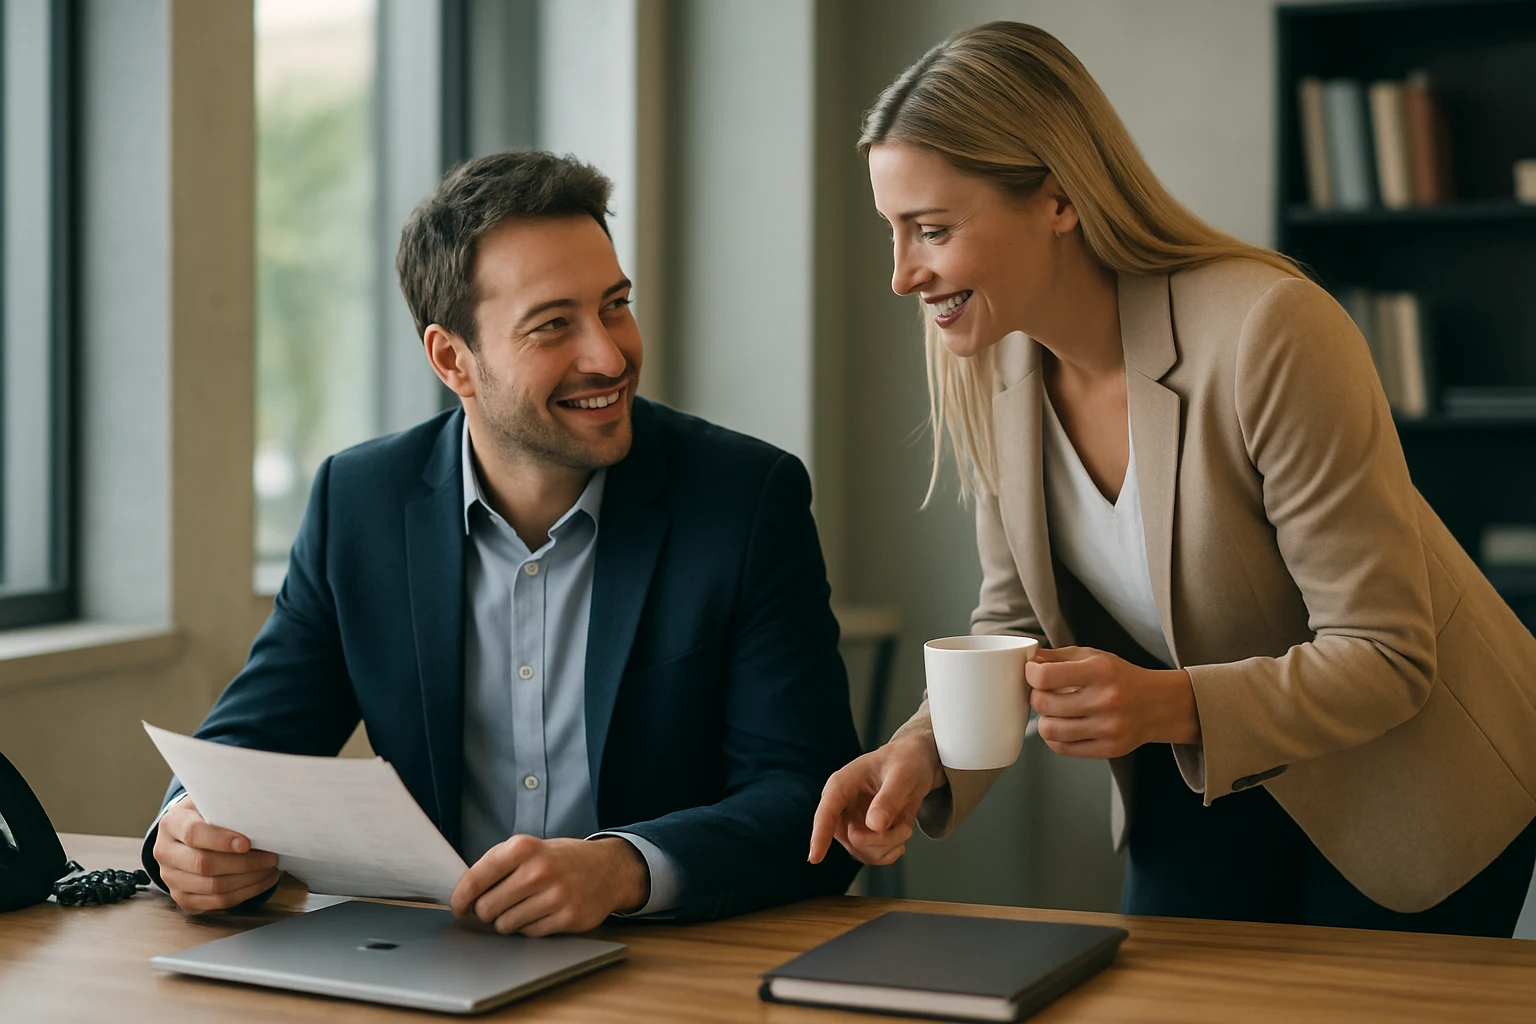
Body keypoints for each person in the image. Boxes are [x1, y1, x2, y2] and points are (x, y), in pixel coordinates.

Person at [809, 21, 1536, 937]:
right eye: (893, 231)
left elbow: (1385, 652)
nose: (901, 275)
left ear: (1059, 199)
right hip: (1200, 779)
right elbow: (1015, 620)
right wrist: (923, 751)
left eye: (932, 229)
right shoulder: (991, 364)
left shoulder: (1270, 331)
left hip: (1410, 782)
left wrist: (1166, 701)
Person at [143, 149, 861, 932]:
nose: (609, 355)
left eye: (615, 305)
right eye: (554, 325)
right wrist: (185, 830)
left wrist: (623, 868)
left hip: (668, 960)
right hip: (430, 959)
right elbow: (248, 746)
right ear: (452, 359)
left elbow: (808, 799)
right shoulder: (360, 503)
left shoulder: (744, 499)